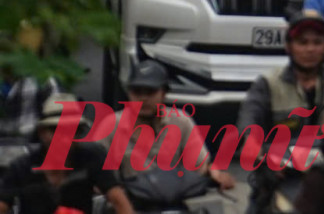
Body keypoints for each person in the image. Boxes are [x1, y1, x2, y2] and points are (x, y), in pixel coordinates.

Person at [240, 9, 324, 162]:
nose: (310, 49)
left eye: (317, 42)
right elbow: (250, 116)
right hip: (279, 164)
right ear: (288, 46)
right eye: (302, 42)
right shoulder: (268, 82)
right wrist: (251, 141)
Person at [118, 59, 234, 204]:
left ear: (164, 94)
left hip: (174, 200)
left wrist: (214, 173)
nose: (143, 98)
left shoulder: (181, 121)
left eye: (150, 92)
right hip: (130, 203)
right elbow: (98, 177)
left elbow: (198, 167)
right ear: (128, 93)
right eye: (137, 92)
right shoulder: (112, 126)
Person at [0, 94, 132, 214]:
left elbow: (118, 201)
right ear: (42, 133)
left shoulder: (91, 157)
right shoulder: (22, 167)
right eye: (55, 130)